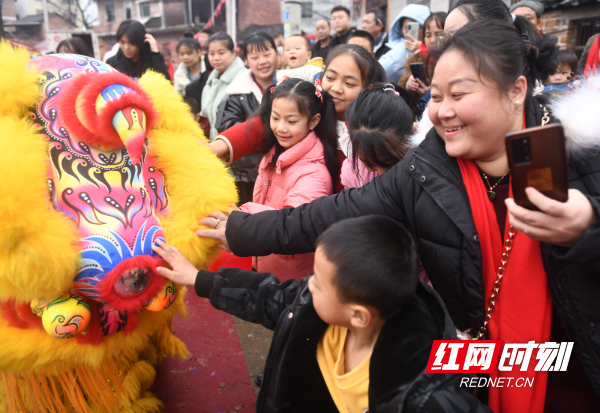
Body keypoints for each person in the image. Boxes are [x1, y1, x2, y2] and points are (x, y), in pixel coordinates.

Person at [196, 21, 600, 413]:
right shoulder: (429, 166)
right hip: (476, 366)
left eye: (459, 95)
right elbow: (331, 213)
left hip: (572, 370)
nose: (442, 112)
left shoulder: (582, 152)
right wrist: (243, 229)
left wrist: (588, 226)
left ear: (516, 90)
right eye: (437, 97)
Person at [152, 215, 492, 412]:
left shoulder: (427, 393)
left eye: (319, 283)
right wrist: (199, 279)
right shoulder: (319, 309)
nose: (307, 285)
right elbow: (269, 296)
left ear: (359, 316)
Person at [209, 44, 387, 193]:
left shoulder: (375, 124)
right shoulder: (316, 105)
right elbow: (264, 124)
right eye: (330, 77)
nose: (336, 88)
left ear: (368, 87)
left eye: (349, 83)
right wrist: (217, 147)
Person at [235, 78, 339, 280]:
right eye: (275, 118)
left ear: (314, 121)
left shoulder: (314, 173)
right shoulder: (274, 153)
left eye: (291, 121)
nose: (281, 128)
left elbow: (292, 225)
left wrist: (241, 213)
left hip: (291, 278)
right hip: (266, 261)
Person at [215, 32, 278, 204]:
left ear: (277, 54)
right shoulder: (234, 95)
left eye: (267, 54)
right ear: (246, 61)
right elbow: (228, 128)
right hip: (248, 177)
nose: (262, 61)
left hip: (284, 172)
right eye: (255, 57)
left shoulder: (291, 88)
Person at [341, 83, 419, 188]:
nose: (382, 173)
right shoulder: (352, 173)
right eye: (370, 165)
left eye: (391, 162)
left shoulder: (426, 168)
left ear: (415, 132)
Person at [200, 32, 246, 141]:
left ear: (234, 52)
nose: (216, 58)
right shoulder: (211, 82)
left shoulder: (243, 79)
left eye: (221, 53)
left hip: (236, 150)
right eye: (211, 53)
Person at [379, 4, 430, 84]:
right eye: (407, 27)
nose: (409, 32)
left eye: (417, 26)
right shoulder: (395, 46)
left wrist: (422, 50)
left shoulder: (434, 46)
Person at [401, 12, 447, 99]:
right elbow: (400, 89)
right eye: (428, 35)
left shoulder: (456, 60)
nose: (432, 40)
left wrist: (431, 93)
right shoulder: (415, 58)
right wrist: (408, 85)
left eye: (438, 34)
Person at [106, 20, 171, 81]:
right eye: (122, 42)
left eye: (131, 43)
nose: (126, 47)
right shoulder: (112, 64)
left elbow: (167, 85)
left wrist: (156, 52)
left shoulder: (153, 62)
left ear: (140, 42)